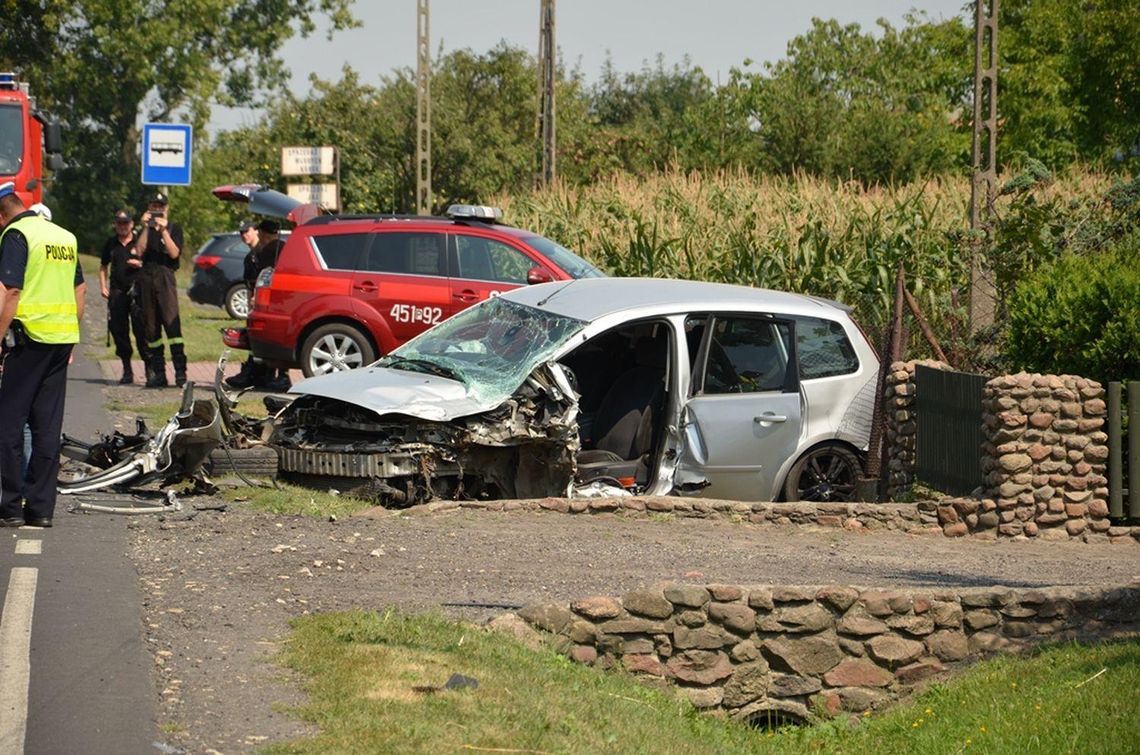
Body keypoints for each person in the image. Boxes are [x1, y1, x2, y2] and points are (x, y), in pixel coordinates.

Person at [0, 181, 85, 527]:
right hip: (60, 340)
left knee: (8, 423)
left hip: (29, 338)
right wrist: (69, 334)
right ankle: (41, 510)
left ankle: (8, 508)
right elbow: (80, 288)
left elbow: (11, 290)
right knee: (47, 425)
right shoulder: (63, 236)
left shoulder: (16, 235)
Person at [226, 219, 290, 391]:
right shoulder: (257, 254)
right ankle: (261, 373)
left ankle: (276, 375)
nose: (244, 235)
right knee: (263, 336)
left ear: (260, 232)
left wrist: (256, 297)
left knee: (270, 336)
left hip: (271, 300)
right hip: (268, 300)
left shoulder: (273, 250)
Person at [134, 191, 185, 388]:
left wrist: (163, 231)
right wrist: (147, 227)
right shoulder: (144, 229)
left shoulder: (174, 228)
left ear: (167, 208)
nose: (157, 210)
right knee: (151, 328)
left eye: (160, 207)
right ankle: (159, 373)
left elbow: (174, 253)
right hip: (147, 277)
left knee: (173, 327)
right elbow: (139, 251)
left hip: (165, 277)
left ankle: (180, 373)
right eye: (154, 206)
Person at [100, 209, 146, 383]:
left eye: (125, 223)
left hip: (137, 292)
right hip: (117, 292)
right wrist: (103, 286)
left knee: (141, 330)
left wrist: (140, 264)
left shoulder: (138, 241)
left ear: (132, 224)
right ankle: (127, 369)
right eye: (119, 223)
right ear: (115, 225)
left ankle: (149, 368)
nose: (122, 226)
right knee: (119, 331)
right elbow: (103, 266)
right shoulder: (111, 243)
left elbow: (149, 263)